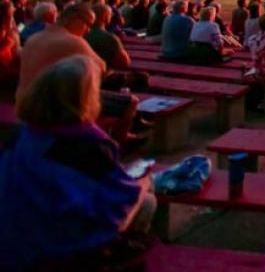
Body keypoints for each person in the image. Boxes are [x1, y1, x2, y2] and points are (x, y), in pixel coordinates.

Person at [0, 56, 156, 271]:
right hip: (53, 255)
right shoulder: (85, 146)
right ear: (86, 99)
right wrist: (144, 183)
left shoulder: (19, 135)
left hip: (13, 242)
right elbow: (115, 213)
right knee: (147, 200)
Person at [84, 3, 131, 71]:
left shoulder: (80, 34)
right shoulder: (109, 37)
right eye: (110, 14)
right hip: (102, 75)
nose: (111, 16)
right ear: (105, 17)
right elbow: (125, 62)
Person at [0, 1, 21, 84]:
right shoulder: (2, 30)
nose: (14, 9)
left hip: (12, 62)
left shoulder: (10, 24)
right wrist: (8, 45)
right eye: (11, 9)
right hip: (6, 70)